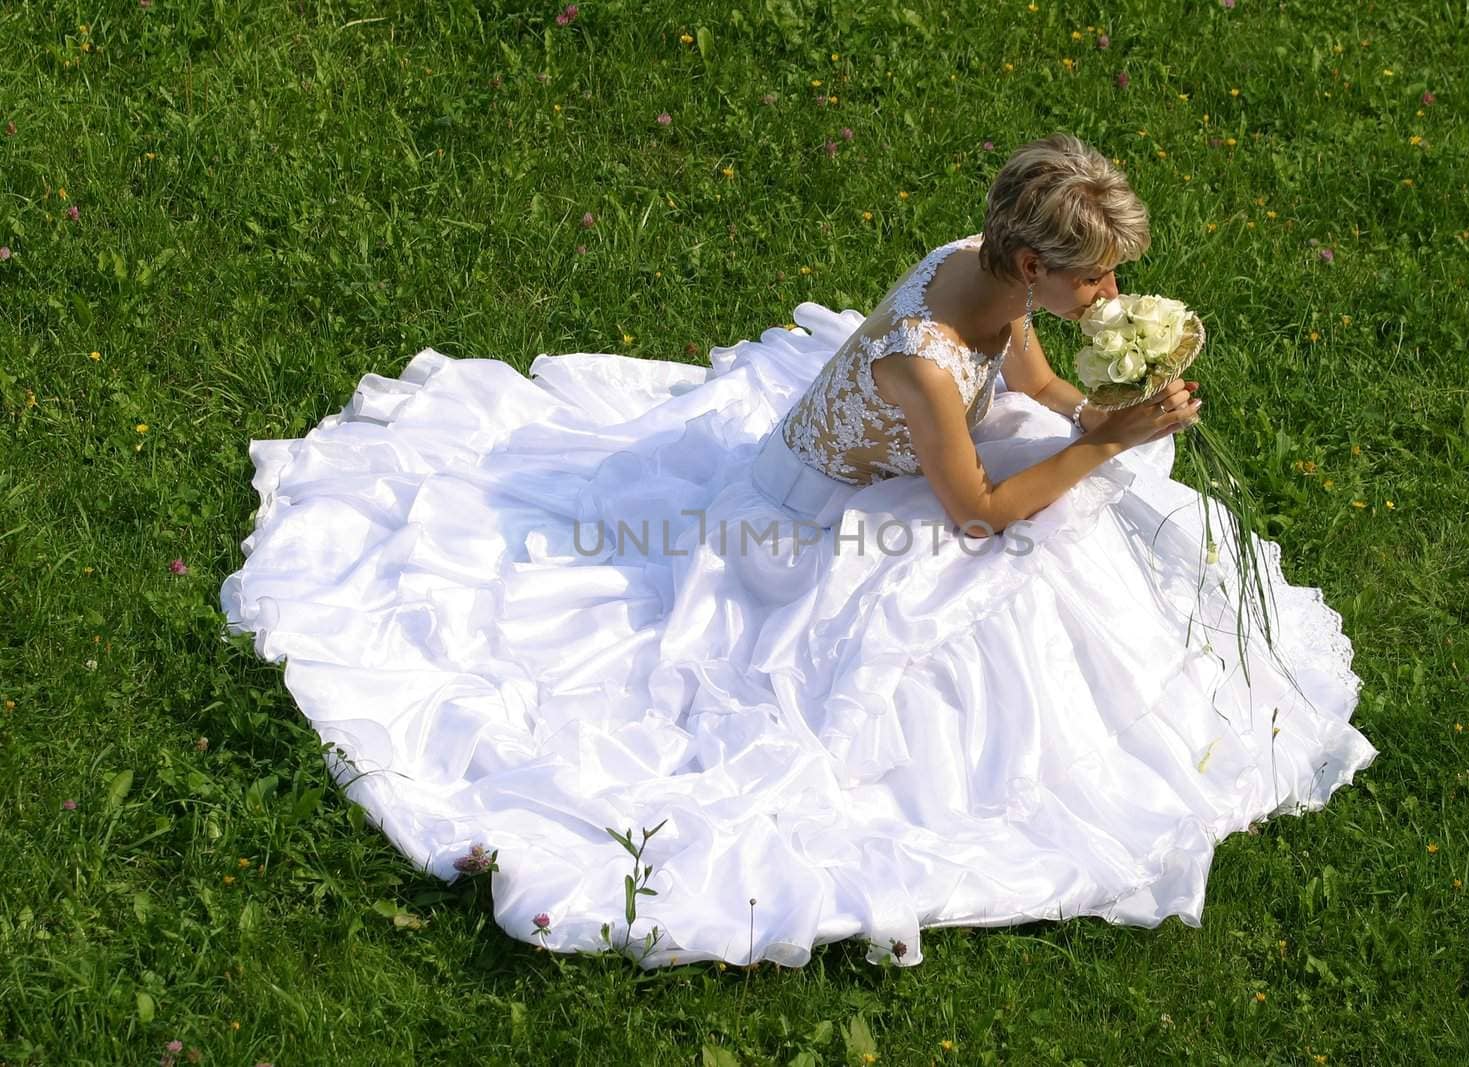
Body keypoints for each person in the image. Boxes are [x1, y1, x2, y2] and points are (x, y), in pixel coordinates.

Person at [220, 133, 1377, 970]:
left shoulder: (988, 270)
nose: (1110, 292)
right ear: (1027, 264)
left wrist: (1104, 408)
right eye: (1096, 280)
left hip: (926, 463)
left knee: (1083, 535)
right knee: (984, 589)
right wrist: (1101, 446)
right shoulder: (926, 354)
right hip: (822, 515)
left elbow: (1029, 387)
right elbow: (972, 506)